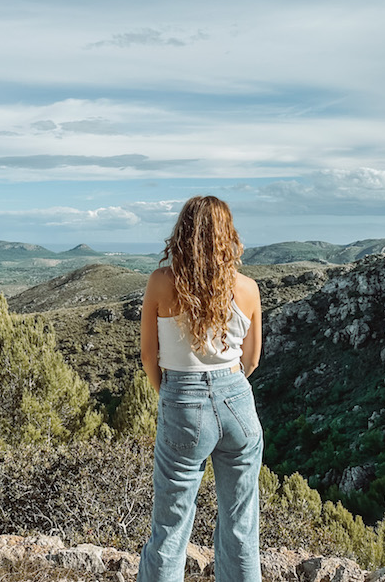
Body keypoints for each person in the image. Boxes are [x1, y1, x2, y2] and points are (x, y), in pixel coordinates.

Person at [138, 195, 263, 582]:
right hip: (238, 402)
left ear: (184, 233)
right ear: (228, 236)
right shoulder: (248, 288)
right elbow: (252, 360)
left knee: (171, 528)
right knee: (241, 527)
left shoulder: (161, 282)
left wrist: (173, 394)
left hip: (183, 400)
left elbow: (148, 356)